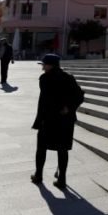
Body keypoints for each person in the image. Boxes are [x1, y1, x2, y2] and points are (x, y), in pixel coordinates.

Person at [30, 54, 84, 189]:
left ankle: (38, 175)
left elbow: (45, 101)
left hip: (48, 119)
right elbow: (80, 96)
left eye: (44, 64)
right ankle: (62, 179)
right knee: (62, 150)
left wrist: (39, 120)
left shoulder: (45, 79)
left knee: (41, 148)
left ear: (50, 65)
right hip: (65, 120)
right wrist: (69, 108)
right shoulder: (69, 78)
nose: (42, 67)